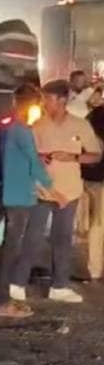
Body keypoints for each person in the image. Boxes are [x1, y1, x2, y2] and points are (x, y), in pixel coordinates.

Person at [27, 79, 102, 303]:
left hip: (69, 192)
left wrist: (73, 157)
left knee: (62, 238)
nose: (44, 103)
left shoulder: (80, 125)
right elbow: (28, 156)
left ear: (62, 100)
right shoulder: (38, 125)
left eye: (48, 99)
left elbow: (95, 155)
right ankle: (16, 282)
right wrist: (40, 157)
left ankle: (59, 285)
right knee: (31, 236)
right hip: (41, 191)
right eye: (43, 99)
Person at [0, 85, 58, 318]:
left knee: (11, 247)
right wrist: (54, 190)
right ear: (31, 104)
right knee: (11, 249)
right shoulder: (21, 130)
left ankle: (5, 299)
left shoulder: (11, 127)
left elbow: (25, 158)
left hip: (16, 194)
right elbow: (33, 162)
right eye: (38, 104)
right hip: (19, 196)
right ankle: (3, 303)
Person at [84, 99, 104, 282]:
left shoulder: (94, 115)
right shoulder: (97, 115)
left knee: (98, 223)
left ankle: (95, 269)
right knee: (98, 223)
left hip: (94, 178)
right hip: (99, 178)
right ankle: (96, 269)